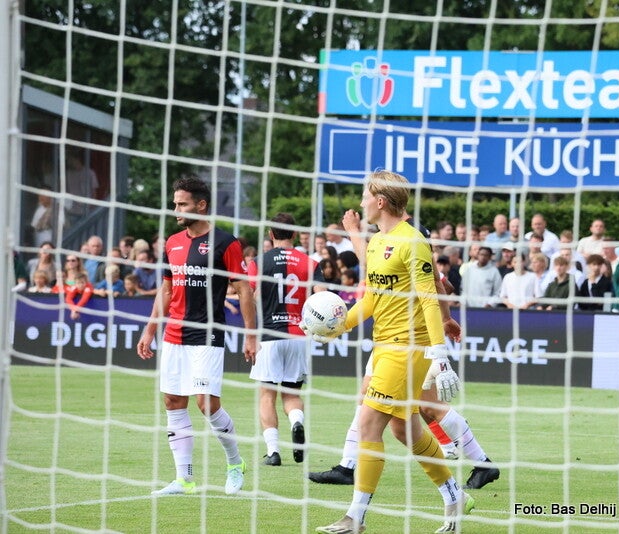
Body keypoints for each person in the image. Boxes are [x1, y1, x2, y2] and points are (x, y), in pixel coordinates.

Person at [313, 170, 473, 534]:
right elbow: (372, 300)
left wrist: (439, 354)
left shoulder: (412, 241)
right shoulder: (376, 242)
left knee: (369, 423)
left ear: (381, 201)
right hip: (384, 345)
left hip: (408, 347)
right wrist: (339, 326)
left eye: (366, 196)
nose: (362, 203)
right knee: (404, 429)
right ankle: (454, 496)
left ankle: (355, 518)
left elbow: (429, 299)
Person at [309, 208, 499, 492]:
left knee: (426, 409)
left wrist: (353, 231)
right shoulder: (396, 236)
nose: (363, 203)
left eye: (368, 197)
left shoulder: (409, 236)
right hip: (393, 336)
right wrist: (446, 318)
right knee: (393, 409)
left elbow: (436, 285)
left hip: (409, 339)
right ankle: (348, 465)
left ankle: (478, 465)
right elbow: (437, 284)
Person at [136, 175, 257, 496]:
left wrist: (250, 335)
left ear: (201, 205)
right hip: (174, 334)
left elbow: (244, 289)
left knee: (206, 404)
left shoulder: (225, 243)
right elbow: (166, 289)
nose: (176, 210)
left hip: (208, 334)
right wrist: (150, 330)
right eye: (175, 204)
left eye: (182, 204)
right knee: (173, 401)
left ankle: (235, 463)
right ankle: (184, 479)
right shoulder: (172, 243)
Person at [247, 212, 324, 467]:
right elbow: (322, 296)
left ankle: (273, 452)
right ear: (294, 234)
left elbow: (250, 295)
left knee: (266, 395)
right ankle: (296, 421)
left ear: (270, 234)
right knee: (291, 394)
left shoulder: (259, 262)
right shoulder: (310, 263)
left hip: (269, 335)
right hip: (298, 335)